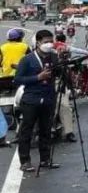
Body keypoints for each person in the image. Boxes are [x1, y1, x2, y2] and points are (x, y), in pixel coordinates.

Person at [14, 29, 60, 172]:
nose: (49, 44)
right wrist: (37, 78)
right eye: (46, 42)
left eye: (51, 41)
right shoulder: (27, 59)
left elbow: (59, 73)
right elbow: (18, 79)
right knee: (26, 131)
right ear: (38, 42)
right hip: (31, 99)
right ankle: (25, 161)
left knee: (46, 130)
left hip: (48, 98)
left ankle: (45, 159)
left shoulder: (54, 57)